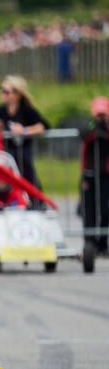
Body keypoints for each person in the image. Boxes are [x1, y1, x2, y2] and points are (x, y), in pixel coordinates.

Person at [0, 75, 49, 202]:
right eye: (1, 90)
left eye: (6, 91)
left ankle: (36, 203)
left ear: (17, 94)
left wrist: (25, 131)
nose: (2, 93)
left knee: (28, 179)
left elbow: (43, 126)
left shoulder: (26, 111)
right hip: (4, 154)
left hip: (23, 154)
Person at [81, 96, 109, 255]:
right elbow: (83, 133)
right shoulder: (89, 124)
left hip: (106, 175)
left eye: (103, 114)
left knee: (105, 210)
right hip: (89, 174)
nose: (100, 117)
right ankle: (89, 245)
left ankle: (103, 243)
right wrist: (95, 126)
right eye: (98, 114)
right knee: (89, 210)